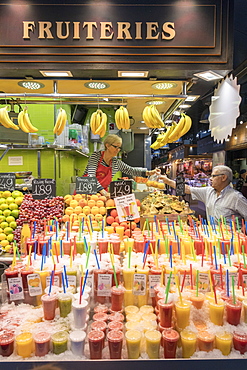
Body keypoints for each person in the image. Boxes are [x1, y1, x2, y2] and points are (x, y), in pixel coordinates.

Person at [159, 165, 247, 222]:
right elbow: (187, 189)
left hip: (231, 240)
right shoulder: (208, 191)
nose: (210, 179)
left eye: (213, 176)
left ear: (223, 177)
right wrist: (167, 181)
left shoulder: (236, 197)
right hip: (212, 236)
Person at [83, 134, 160, 197]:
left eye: (119, 147)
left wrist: (149, 172)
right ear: (107, 146)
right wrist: (104, 192)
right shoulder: (96, 156)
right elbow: (91, 176)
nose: (118, 150)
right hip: (86, 193)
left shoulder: (115, 162)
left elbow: (131, 170)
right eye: (115, 147)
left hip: (101, 196)